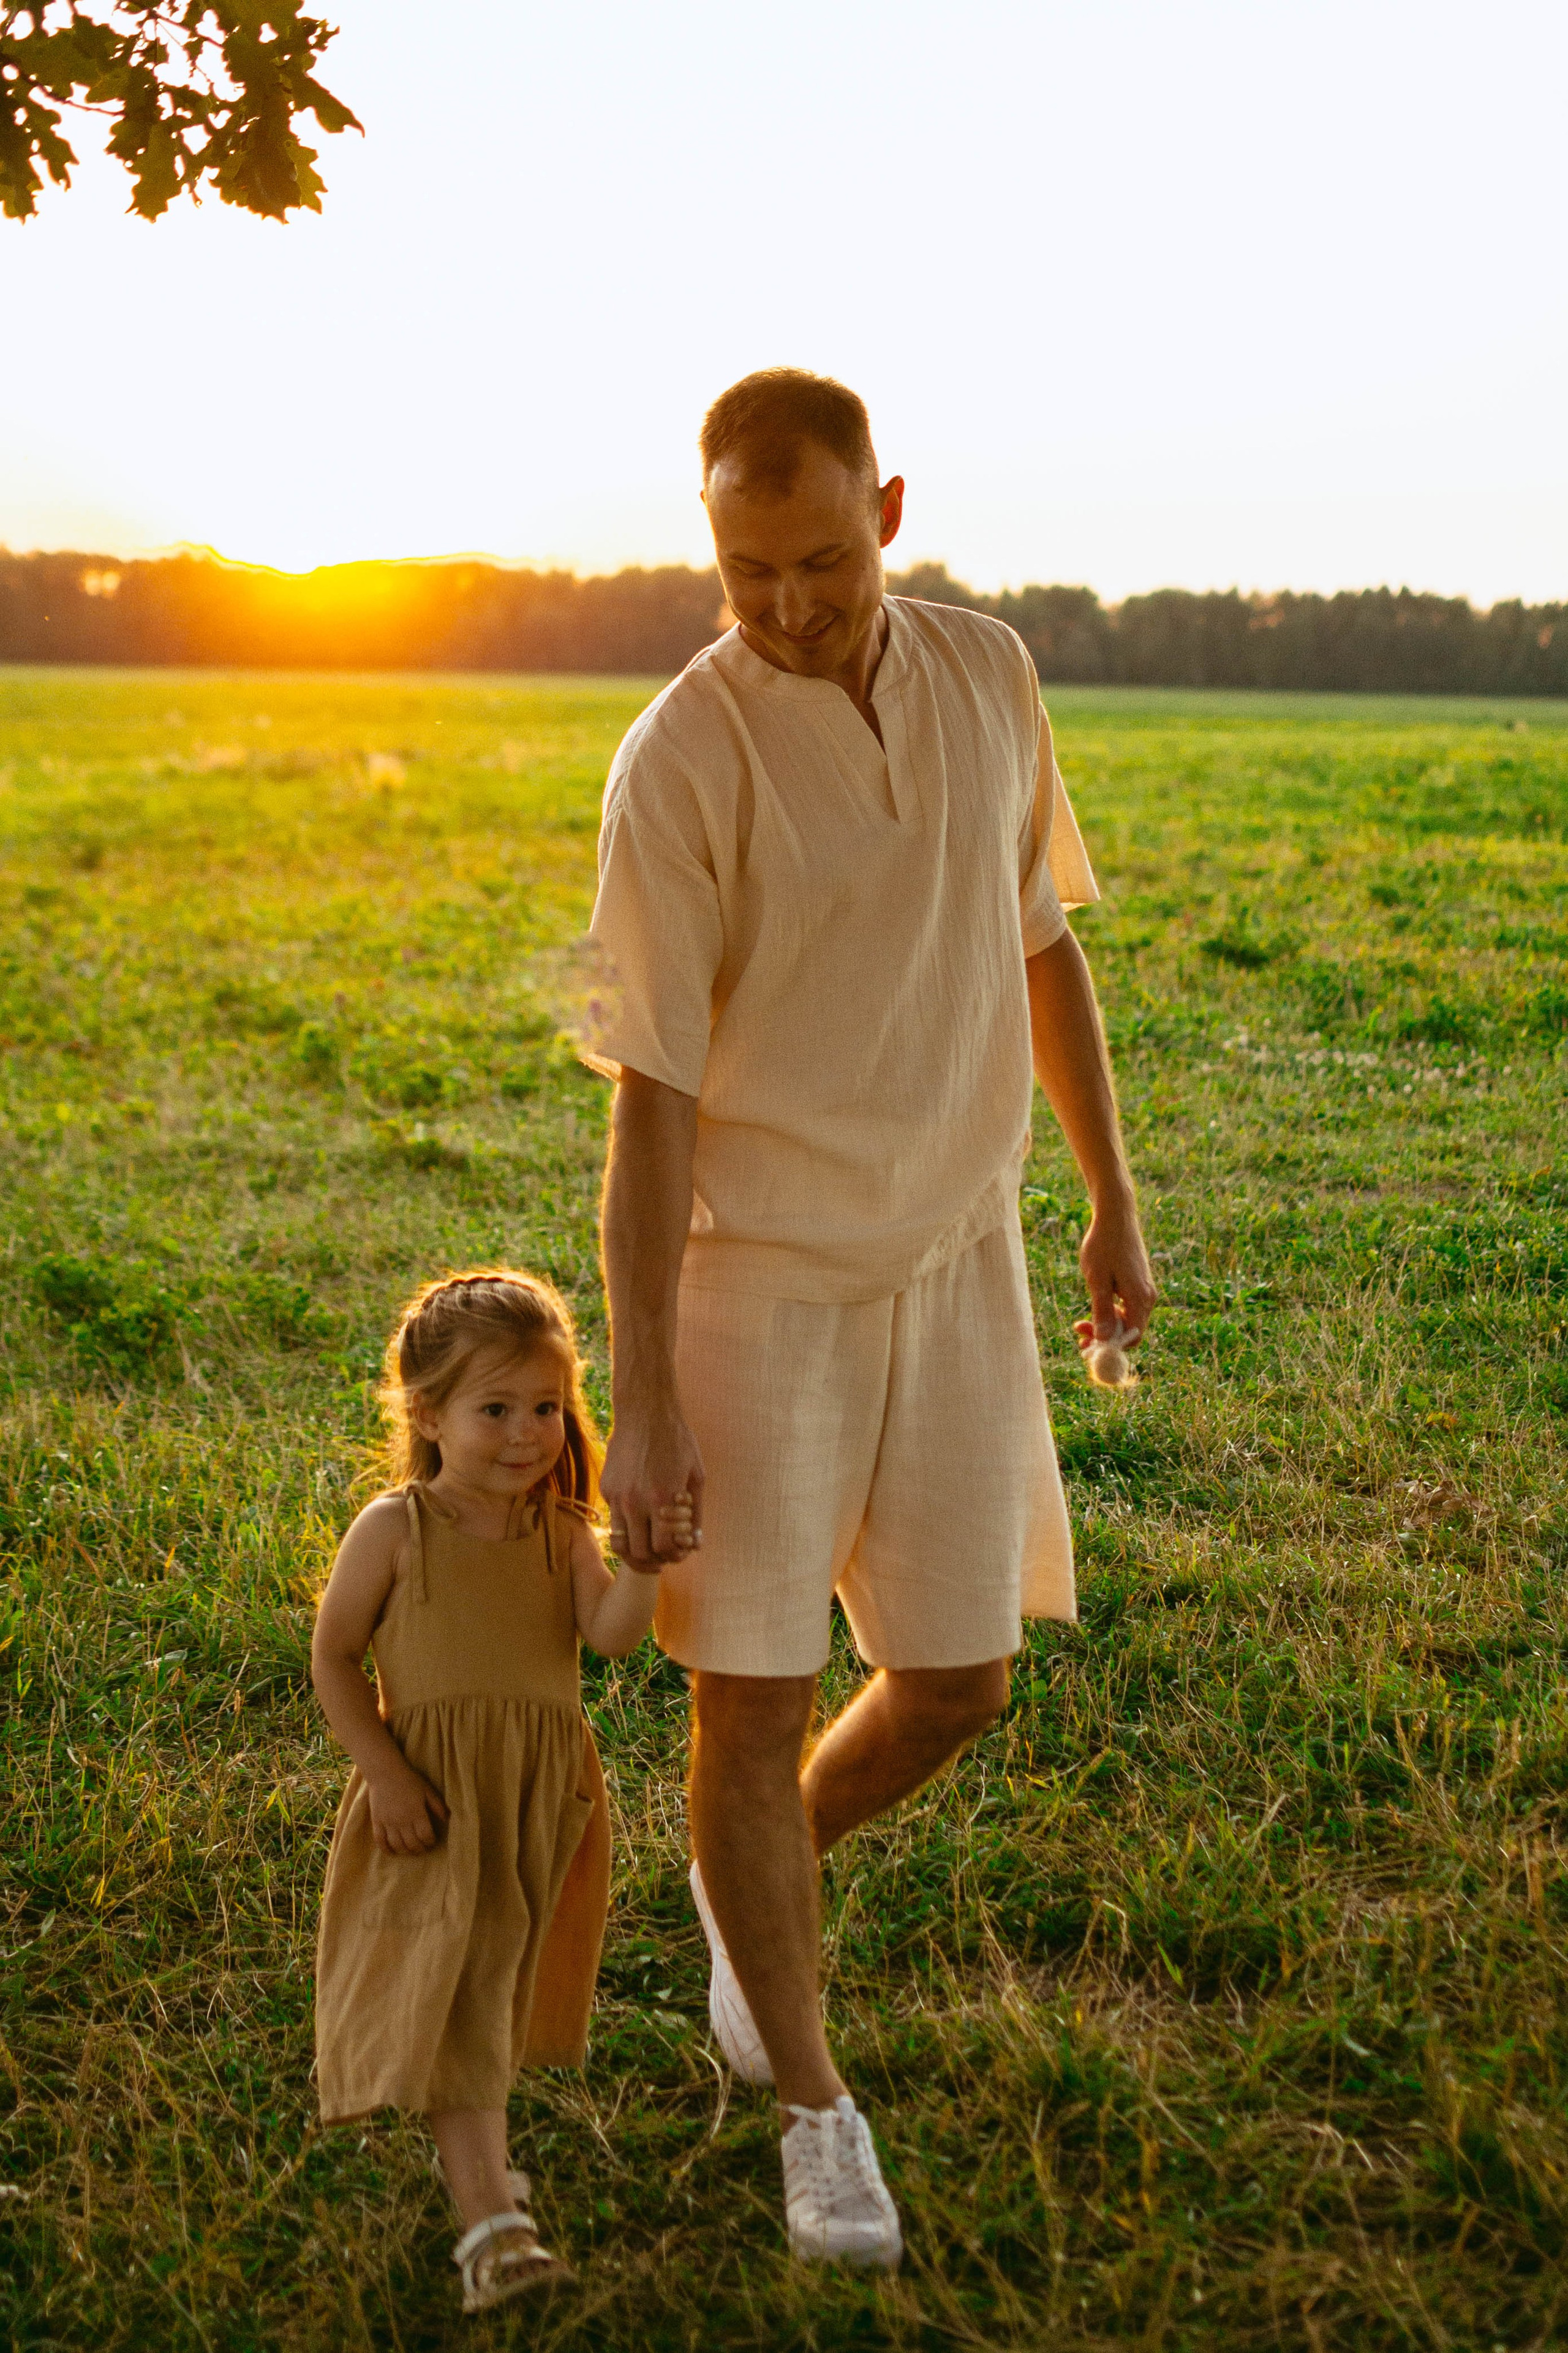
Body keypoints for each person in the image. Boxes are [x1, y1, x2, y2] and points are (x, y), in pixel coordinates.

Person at [589, 368, 1158, 2270]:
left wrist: (1110, 1192)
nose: (787, 605)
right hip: (758, 1288)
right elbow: (650, 1100)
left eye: (822, 560)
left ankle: (745, 1887)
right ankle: (814, 2110)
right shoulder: (679, 758)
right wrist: (644, 1392)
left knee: (958, 1680)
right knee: (750, 1707)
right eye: (745, 569)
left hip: (958, 1259)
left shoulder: (991, 676)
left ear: (889, 510)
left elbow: (1041, 945)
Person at [311, 1270, 685, 2313]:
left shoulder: (560, 1529)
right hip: (434, 1802)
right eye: (496, 1409)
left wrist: (645, 1563)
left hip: (535, 1798)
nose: (527, 1433)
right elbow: (333, 1657)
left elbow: (611, 1638)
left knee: (494, 1984)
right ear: (427, 1415)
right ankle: (493, 2226)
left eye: (546, 1406)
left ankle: (485, 2178)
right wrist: (385, 1773)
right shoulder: (395, 1528)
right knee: (460, 1988)